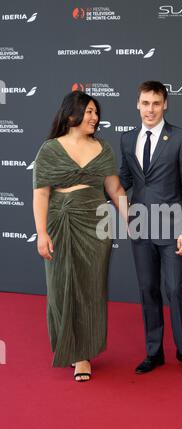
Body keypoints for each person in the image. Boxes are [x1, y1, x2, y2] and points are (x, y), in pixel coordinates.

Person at [33, 91, 127, 382]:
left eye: (96, 112)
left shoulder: (104, 148)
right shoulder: (49, 149)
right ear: (70, 114)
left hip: (96, 226)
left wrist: (136, 224)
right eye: (88, 111)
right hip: (60, 223)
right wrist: (41, 233)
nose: (94, 117)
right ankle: (71, 350)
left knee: (91, 289)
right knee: (60, 288)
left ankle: (83, 355)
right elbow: (41, 194)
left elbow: (116, 191)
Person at [120, 81, 182, 376]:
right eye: (145, 103)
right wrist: (97, 188)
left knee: (176, 290)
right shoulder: (128, 139)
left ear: (165, 104)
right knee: (148, 290)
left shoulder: (181, 138)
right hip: (140, 228)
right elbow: (124, 179)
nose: (150, 109)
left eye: (156, 103)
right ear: (137, 104)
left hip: (173, 230)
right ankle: (154, 352)